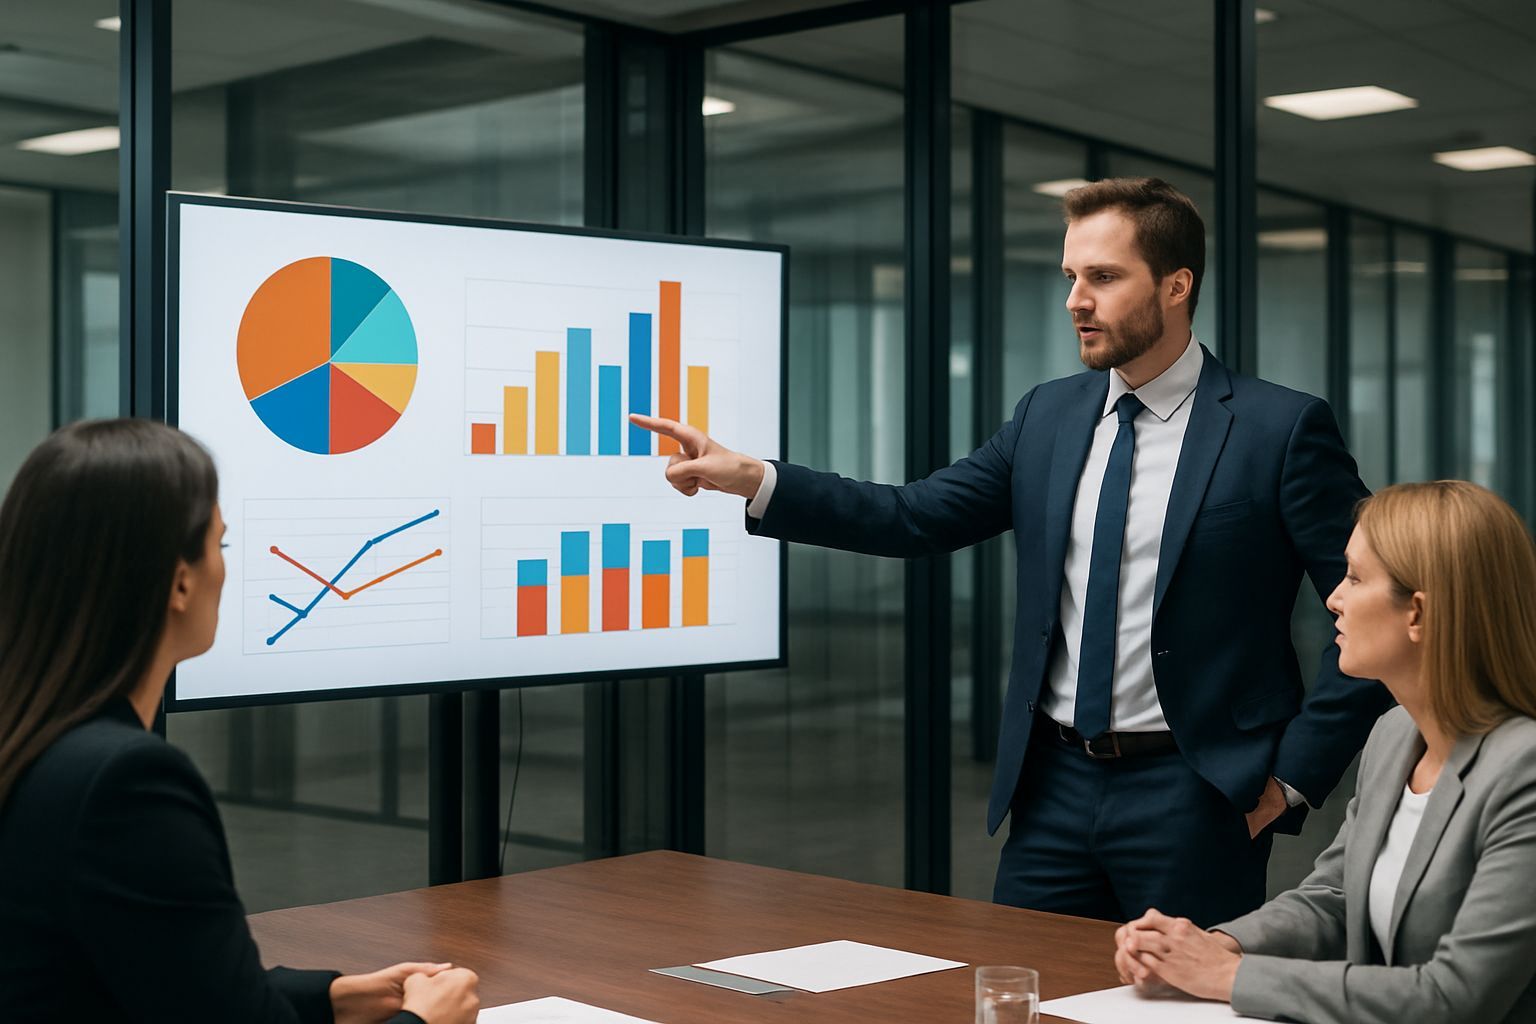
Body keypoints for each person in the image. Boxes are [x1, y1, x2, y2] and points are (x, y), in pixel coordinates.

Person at [631, 176, 1392, 926]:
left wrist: (1291, 778)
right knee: (1027, 995)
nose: (1075, 301)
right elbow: (913, 516)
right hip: (1052, 787)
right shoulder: (1048, 416)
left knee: (1174, 1007)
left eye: (1102, 277)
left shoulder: (1278, 429)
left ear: (1175, 285)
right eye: (1069, 277)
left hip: (1195, 793)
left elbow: (1374, 602)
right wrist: (756, 479)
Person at [0, 419, 481, 1024]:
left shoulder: (34, 743)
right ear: (179, 581)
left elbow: (169, 978)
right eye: (220, 546)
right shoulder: (126, 783)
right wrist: (426, 1022)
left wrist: (331, 998)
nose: (226, 569)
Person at [1115, 480, 1536, 1021]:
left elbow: (1453, 997)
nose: (1333, 598)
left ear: (1418, 614)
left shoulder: (1522, 770)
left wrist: (1229, 977)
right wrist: (1217, 946)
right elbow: (1334, 898)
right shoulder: (1393, 735)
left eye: (1355, 578)